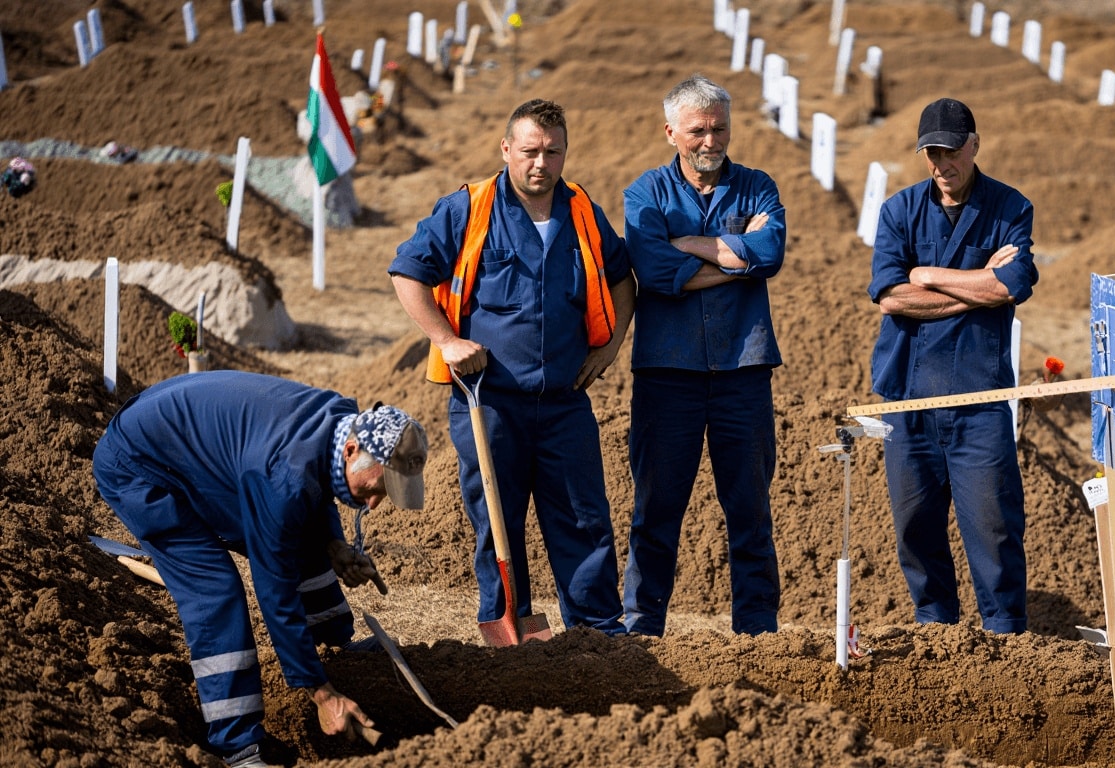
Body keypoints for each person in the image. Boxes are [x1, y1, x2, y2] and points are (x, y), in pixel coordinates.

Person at [91, 371, 429, 768]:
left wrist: (333, 542)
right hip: (138, 466)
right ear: (352, 450)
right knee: (215, 590)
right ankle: (236, 745)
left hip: (188, 443)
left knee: (297, 529)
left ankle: (332, 647)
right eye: (374, 489)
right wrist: (321, 694)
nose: (373, 505)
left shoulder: (338, 422)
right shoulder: (284, 475)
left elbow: (312, 486)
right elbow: (275, 591)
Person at [390, 99, 635, 636]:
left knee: (584, 521)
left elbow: (622, 277)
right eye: (529, 152)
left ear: (565, 152)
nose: (540, 164)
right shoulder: (468, 209)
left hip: (565, 403)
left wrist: (610, 347)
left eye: (552, 151)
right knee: (496, 523)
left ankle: (597, 635)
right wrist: (446, 339)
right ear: (506, 150)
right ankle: (509, 629)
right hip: (489, 403)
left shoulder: (582, 212)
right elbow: (407, 272)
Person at [867, 97, 1039, 634]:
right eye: (931, 154)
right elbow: (891, 298)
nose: (942, 164)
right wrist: (975, 288)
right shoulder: (899, 211)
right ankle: (935, 633)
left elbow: (1012, 285)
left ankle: (1006, 635)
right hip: (909, 397)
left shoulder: (1011, 208)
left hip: (979, 398)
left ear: (974, 145)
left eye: (951, 151)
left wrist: (927, 275)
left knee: (994, 530)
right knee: (915, 530)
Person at [622, 74, 785, 636]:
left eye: (719, 128)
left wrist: (687, 247)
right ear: (671, 132)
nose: (710, 141)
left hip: (744, 369)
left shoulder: (759, 185)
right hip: (669, 373)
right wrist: (735, 262)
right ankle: (641, 629)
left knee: (750, 510)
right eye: (697, 131)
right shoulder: (644, 194)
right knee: (657, 511)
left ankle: (759, 630)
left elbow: (771, 253)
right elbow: (650, 270)